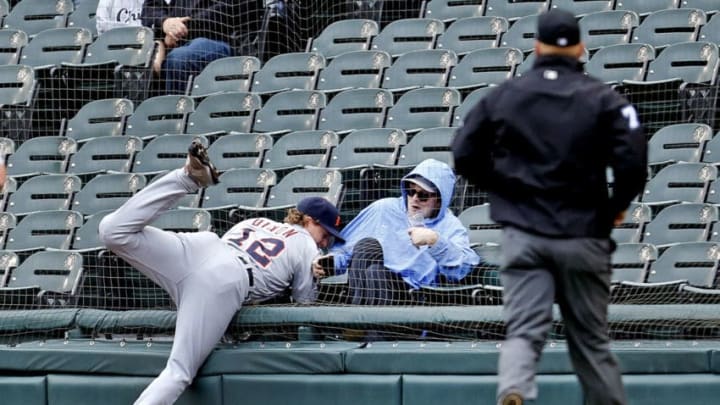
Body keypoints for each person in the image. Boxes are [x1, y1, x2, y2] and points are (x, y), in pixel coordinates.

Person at [451, 9, 647, 405]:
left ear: (537, 46)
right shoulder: (604, 98)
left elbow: (463, 153)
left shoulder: (504, 95)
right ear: (580, 48)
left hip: (524, 233)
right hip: (583, 233)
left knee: (524, 331)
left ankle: (515, 389)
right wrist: (616, 207)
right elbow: (633, 161)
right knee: (591, 340)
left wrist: (503, 189)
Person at [98, 141, 343, 405]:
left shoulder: (256, 220)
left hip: (202, 249)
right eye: (326, 233)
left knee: (113, 232)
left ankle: (185, 179)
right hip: (225, 278)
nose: (326, 242)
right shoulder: (307, 244)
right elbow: (304, 304)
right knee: (179, 372)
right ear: (310, 221)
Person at [316, 158, 480, 305]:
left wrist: (435, 241)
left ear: (439, 200)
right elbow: (344, 249)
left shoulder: (450, 225)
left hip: (415, 294)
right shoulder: (383, 208)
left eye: (423, 195)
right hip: (367, 291)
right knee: (366, 246)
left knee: (376, 272)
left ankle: (361, 325)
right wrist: (329, 264)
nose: (414, 198)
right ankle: (358, 321)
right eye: (411, 191)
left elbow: (463, 268)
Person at [141, 0, 242, 94]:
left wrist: (180, 30)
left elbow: (227, 11)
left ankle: (176, 111)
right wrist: (165, 22)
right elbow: (150, 7)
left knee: (179, 59)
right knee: (144, 61)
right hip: (174, 41)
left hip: (220, 41)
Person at [96, 0, 166, 75]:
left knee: (158, 45)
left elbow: (156, 28)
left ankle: (149, 81)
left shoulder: (151, 3)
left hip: (145, 44)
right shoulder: (108, 2)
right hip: (115, 45)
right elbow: (102, 28)